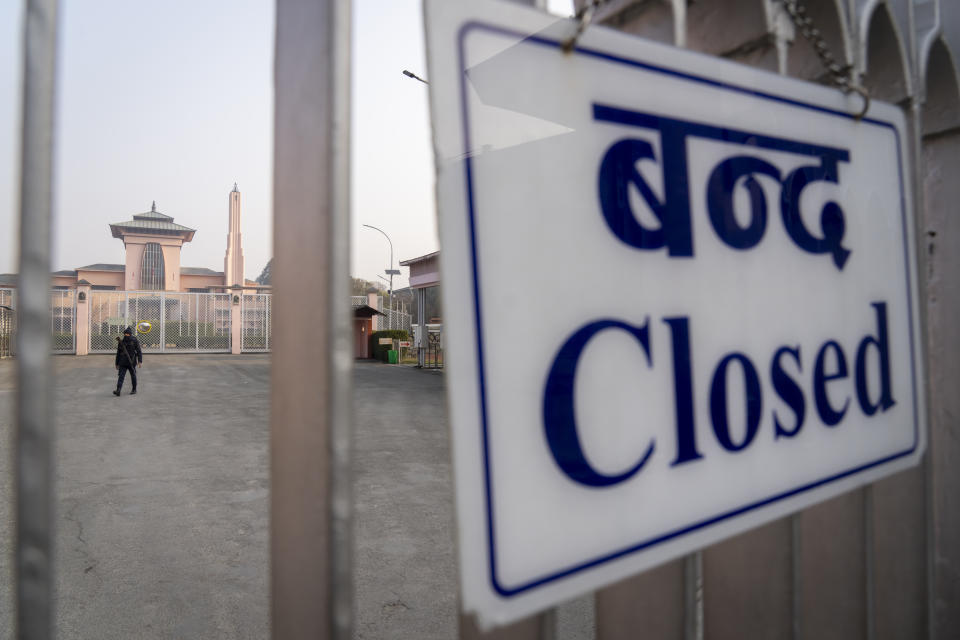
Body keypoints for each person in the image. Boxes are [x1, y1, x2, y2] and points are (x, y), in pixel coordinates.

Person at [113, 326, 142, 396]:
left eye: (126, 334)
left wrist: (139, 361)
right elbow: (118, 353)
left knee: (131, 375)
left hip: (129, 362)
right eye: (125, 334)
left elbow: (138, 351)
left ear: (129, 334)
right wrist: (117, 363)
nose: (126, 335)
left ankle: (132, 389)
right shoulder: (122, 341)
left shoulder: (132, 341)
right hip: (126, 362)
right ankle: (119, 390)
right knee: (123, 376)